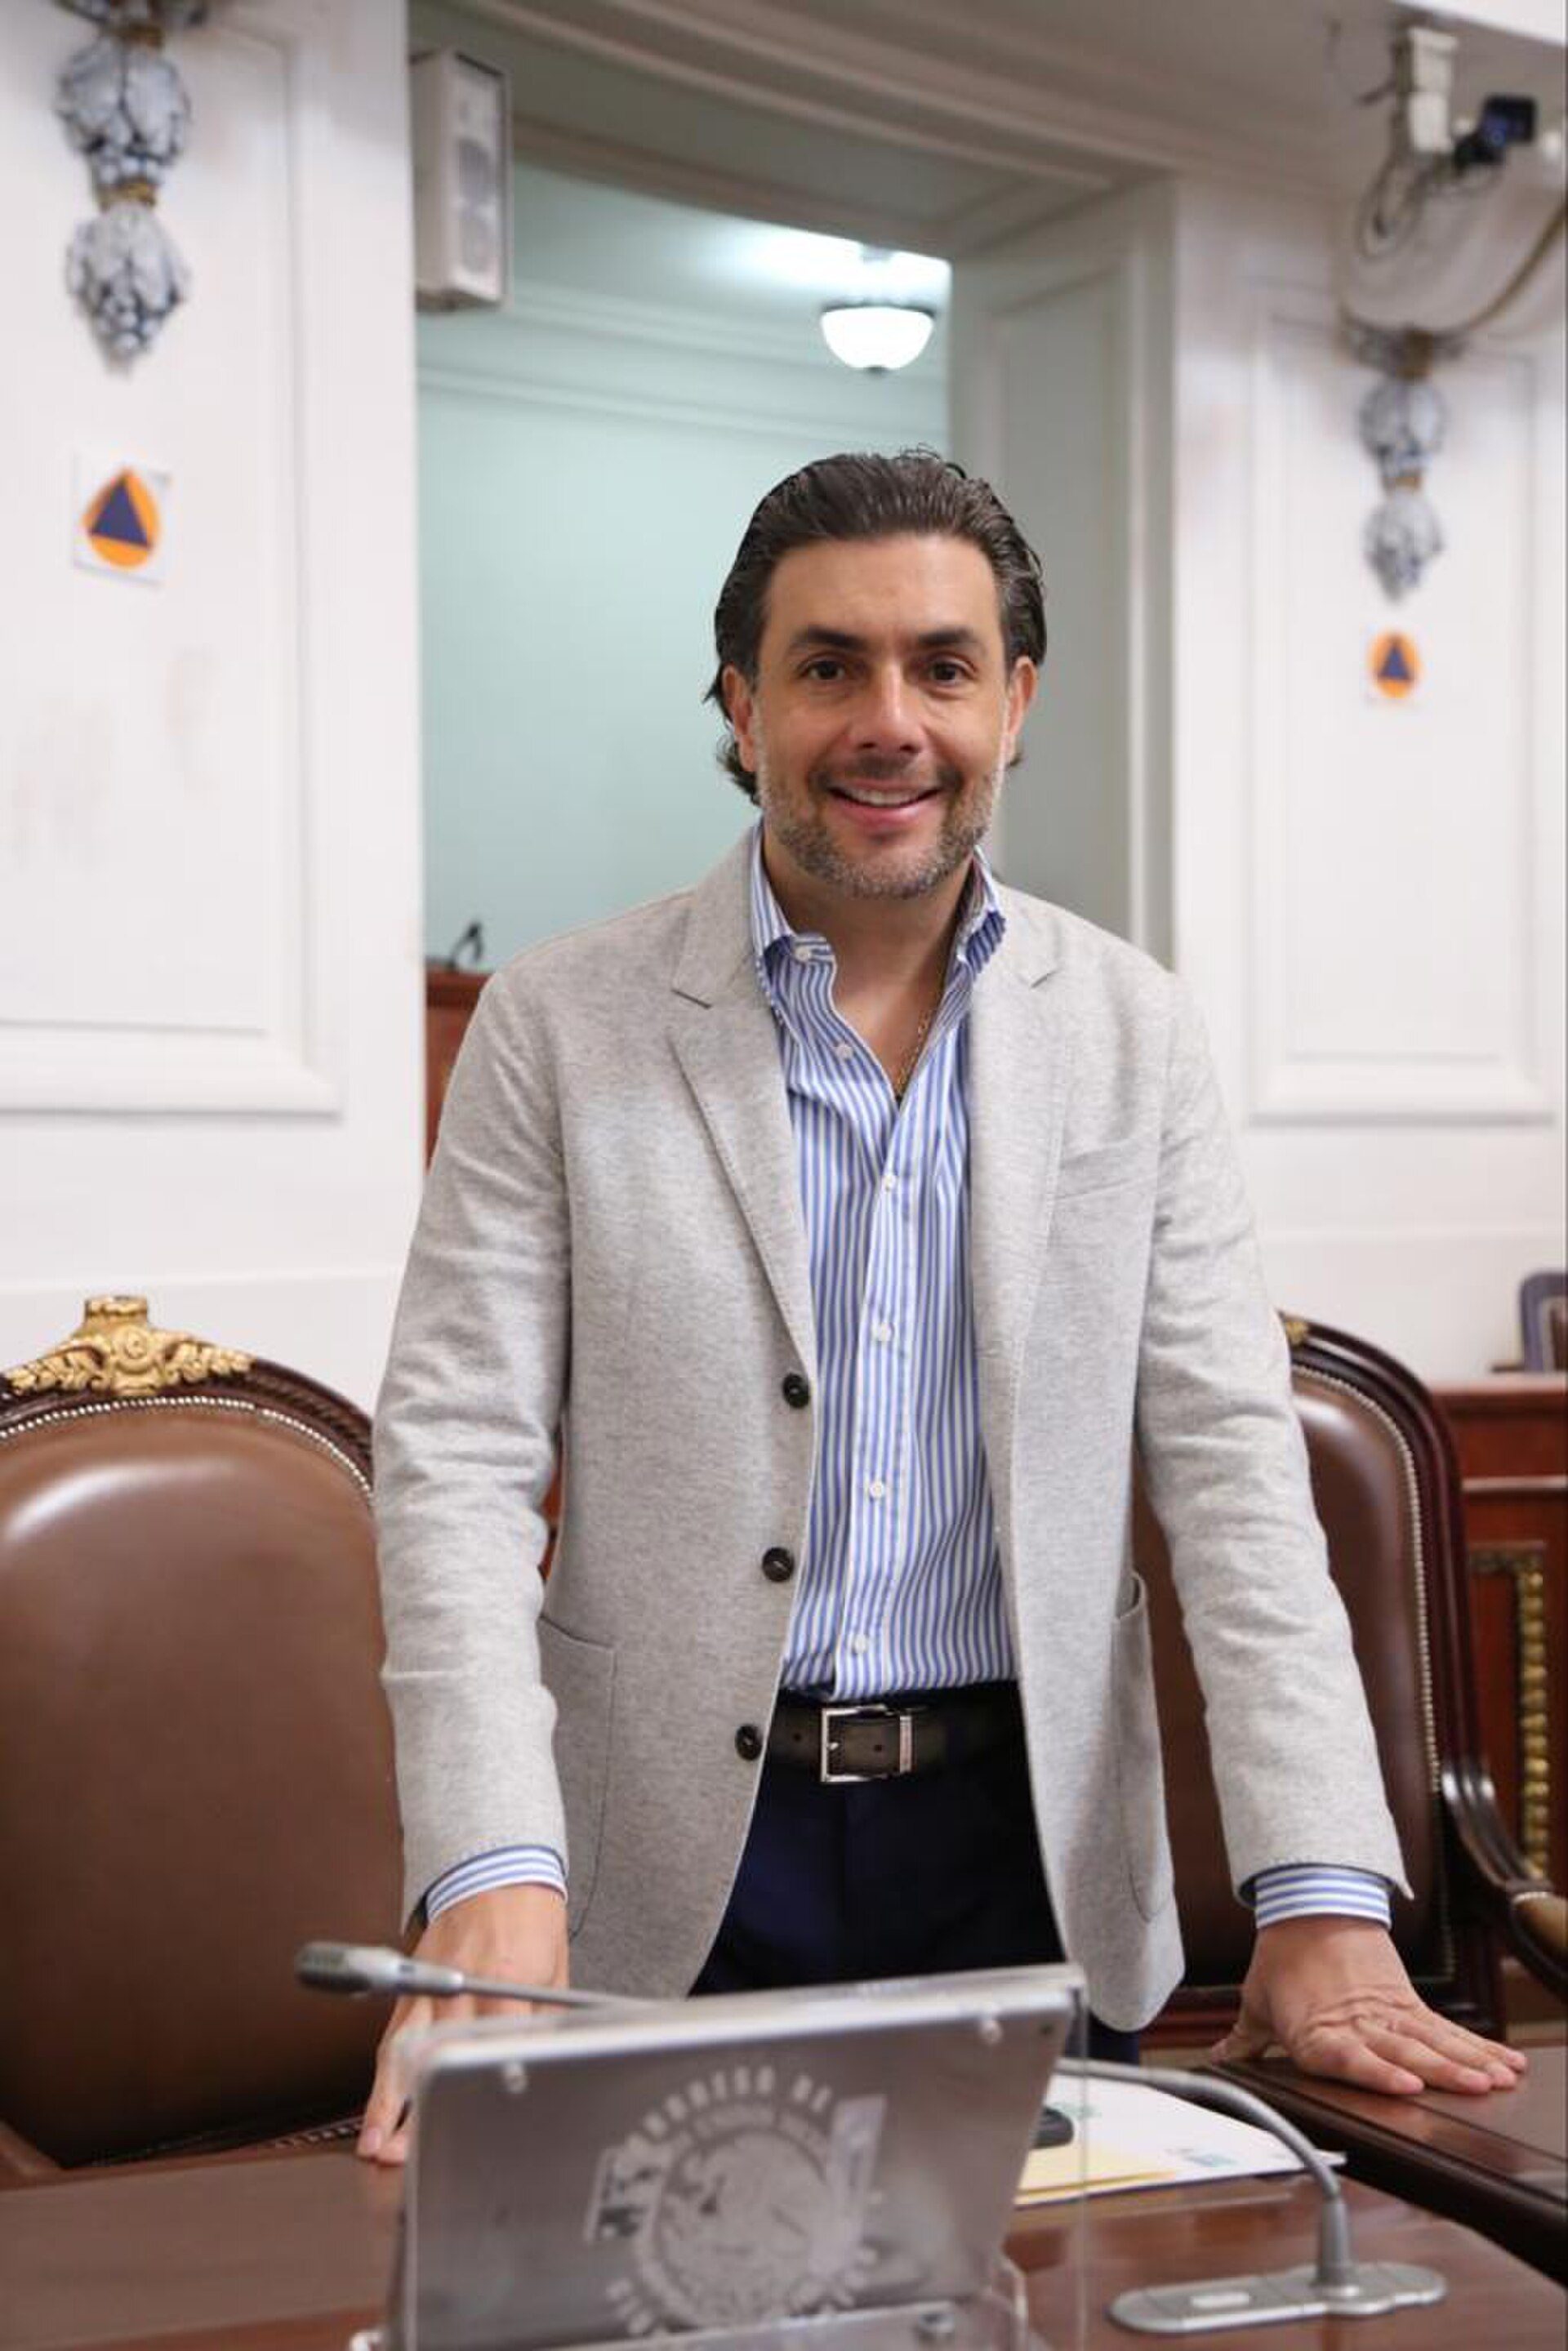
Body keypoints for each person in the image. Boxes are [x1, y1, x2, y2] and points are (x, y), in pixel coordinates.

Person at [359, 451, 1521, 2165]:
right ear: (745, 701)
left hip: (1027, 1865)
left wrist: (1325, 1886)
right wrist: (490, 1866)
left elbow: (1232, 1481)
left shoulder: (1136, 1034)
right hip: (664, 1876)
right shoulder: (557, 1020)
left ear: (1017, 700)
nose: (887, 719)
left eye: (943, 666)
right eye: (829, 666)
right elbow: (452, 1462)